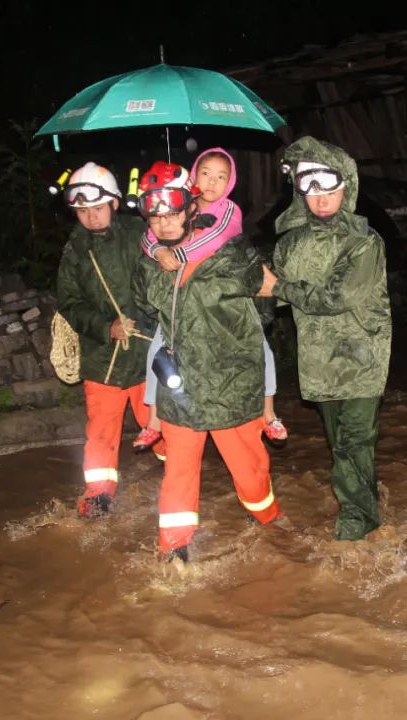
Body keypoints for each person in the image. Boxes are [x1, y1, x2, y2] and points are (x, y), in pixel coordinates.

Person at [132, 161, 284, 564]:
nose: (164, 223)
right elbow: (143, 304)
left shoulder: (232, 255)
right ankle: (173, 547)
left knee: (250, 473)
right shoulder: (150, 264)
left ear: (190, 210)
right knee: (179, 471)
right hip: (181, 387)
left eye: (172, 214)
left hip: (231, 384)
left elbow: (268, 296)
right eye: (156, 216)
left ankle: (269, 521)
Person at [259, 137, 392, 541]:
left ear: (345, 187)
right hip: (318, 361)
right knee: (343, 448)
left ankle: (355, 528)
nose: (320, 198)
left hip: (362, 359)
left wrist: (278, 287)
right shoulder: (290, 244)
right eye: (309, 187)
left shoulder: (365, 242)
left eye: (328, 187)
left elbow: (338, 297)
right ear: (299, 191)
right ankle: (367, 505)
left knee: (354, 442)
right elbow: (263, 294)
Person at [133, 148, 288, 451]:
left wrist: (176, 252)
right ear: (193, 176)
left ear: (231, 184)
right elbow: (147, 236)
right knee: (157, 351)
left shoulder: (228, 209)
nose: (212, 183)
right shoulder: (177, 206)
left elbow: (215, 238)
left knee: (260, 348)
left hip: (226, 300)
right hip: (183, 305)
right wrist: (159, 251)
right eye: (205, 174)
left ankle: (269, 413)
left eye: (221, 177)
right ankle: (153, 421)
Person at [53, 162, 162, 518]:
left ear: (114, 203)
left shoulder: (140, 232)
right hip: (103, 357)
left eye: (97, 208)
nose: (90, 216)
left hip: (146, 351)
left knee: (162, 425)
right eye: (82, 210)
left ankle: (178, 475)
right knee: (100, 431)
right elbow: (69, 302)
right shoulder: (75, 249)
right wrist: (105, 327)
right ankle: (98, 495)